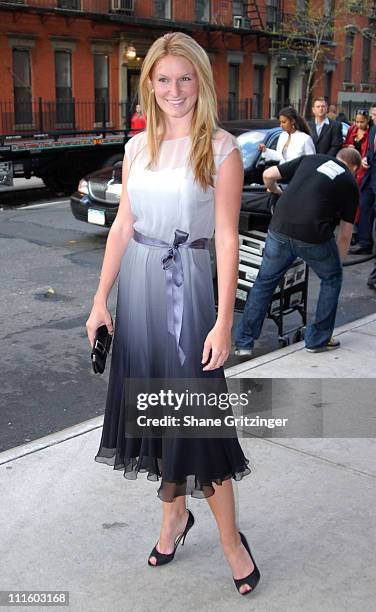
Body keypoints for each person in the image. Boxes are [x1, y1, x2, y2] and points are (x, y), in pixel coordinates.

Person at [86, 32, 260, 596]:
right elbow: (122, 227)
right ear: (149, 85)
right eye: (163, 79)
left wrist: (225, 320)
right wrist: (99, 301)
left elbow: (229, 237)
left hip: (189, 291)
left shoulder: (223, 148)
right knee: (158, 415)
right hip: (138, 286)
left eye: (185, 78)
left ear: (202, 82)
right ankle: (172, 517)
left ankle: (232, 542)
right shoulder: (138, 148)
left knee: (199, 421)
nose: (174, 90)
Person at [234, 148, 361, 356]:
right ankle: (318, 340)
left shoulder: (311, 159)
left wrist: (275, 190)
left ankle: (244, 343)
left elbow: (268, 175)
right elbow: (345, 236)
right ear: (354, 167)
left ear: (338, 157)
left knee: (264, 282)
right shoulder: (350, 182)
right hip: (313, 234)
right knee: (332, 278)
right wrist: (336, 265)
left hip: (280, 227)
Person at [350, 104, 376, 256]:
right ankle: (365, 244)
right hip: (369, 176)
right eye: (373, 114)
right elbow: (371, 152)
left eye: (375, 114)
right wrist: (366, 158)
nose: (373, 117)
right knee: (364, 207)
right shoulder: (373, 130)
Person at [343, 109, 371, 232]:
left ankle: (357, 228)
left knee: (361, 200)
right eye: (357, 121)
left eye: (362, 122)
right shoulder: (352, 129)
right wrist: (348, 146)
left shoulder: (371, 132)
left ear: (368, 120)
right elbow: (344, 145)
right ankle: (352, 227)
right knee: (350, 198)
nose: (359, 125)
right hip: (351, 167)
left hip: (363, 169)